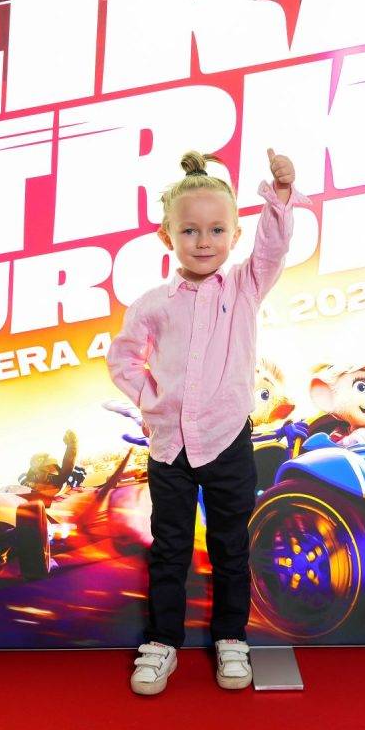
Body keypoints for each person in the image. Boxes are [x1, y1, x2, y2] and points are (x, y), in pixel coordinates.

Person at [107, 148, 307, 695]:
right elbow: (123, 358)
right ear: (167, 237)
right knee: (169, 548)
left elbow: (274, 247)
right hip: (169, 447)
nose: (203, 241)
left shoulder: (246, 286)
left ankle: (231, 638)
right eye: (190, 230)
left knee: (231, 547)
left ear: (235, 235)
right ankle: (161, 643)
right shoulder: (152, 304)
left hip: (228, 442)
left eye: (217, 230)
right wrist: (151, 400)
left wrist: (281, 197)